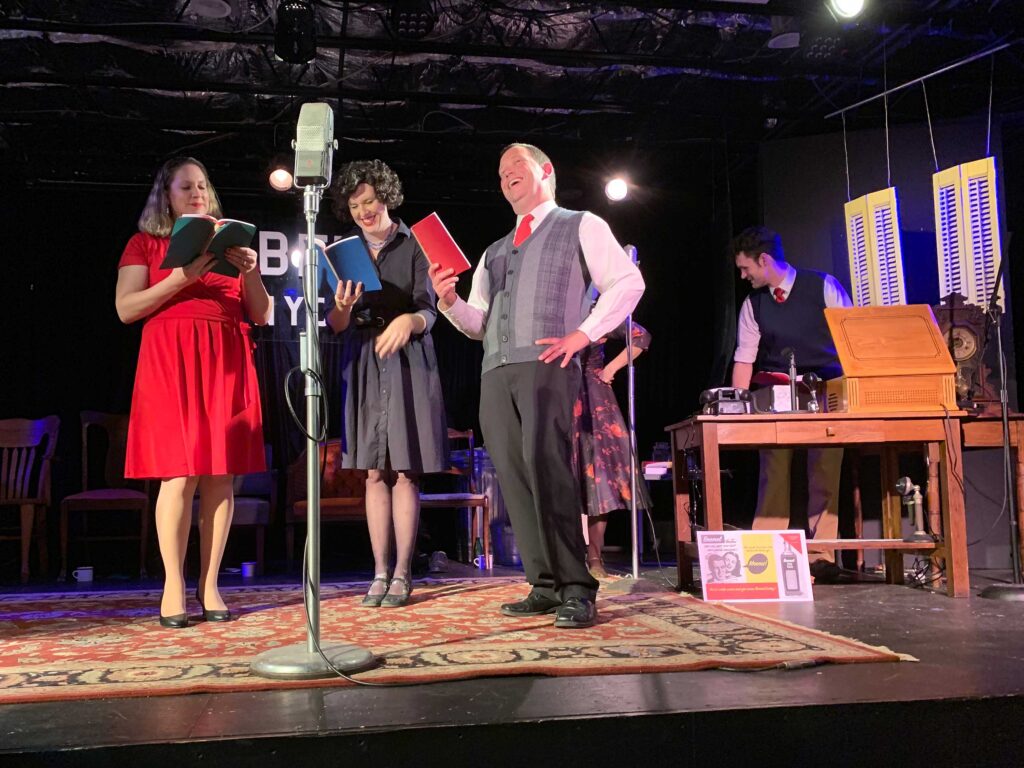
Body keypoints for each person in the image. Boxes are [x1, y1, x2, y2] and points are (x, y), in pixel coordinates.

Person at [429, 143, 644, 629]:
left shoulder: (580, 224)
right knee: (513, 476)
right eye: (500, 172)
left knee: (549, 471)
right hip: (495, 371)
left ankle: (577, 586)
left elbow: (628, 283)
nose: (506, 176)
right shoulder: (494, 251)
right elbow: (479, 323)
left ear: (546, 170)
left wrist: (584, 333)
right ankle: (544, 583)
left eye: (516, 167)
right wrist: (448, 301)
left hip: (547, 364)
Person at [115, 156, 271, 628]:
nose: (197, 193)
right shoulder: (145, 243)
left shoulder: (231, 249)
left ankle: (210, 584)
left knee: (220, 475)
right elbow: (126, 308)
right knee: (179, 474)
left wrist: (251, 270)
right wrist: (180, 278)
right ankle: (172, 584)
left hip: (224, 359)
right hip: (170, 360)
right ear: (166, 195)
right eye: (186, 187)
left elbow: (261, 314)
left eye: (202, 186)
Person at [326, 159, 447, 609]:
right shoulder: (344, 252)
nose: (364, 211)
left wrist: (408, 321)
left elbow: (430, 308)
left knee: (405, 469)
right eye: (355, 205)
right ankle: (379, 572)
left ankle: (402, 573)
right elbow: (336, 323)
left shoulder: (414, 244)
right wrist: (343, 306)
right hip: (363, 359)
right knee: (373, 471)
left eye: (370, 201)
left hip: (407, 359)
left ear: (387, 197)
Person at [729, 226, 852, 583]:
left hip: (827, 388)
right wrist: (737, 406)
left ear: (764, 260)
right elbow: (744, 359)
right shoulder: (754, 304)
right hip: (777, 392)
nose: (743, 276)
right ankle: (765, 553)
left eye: (745, 268)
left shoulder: (823, 286)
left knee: (825, 468)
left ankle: (821, 556)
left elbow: (851, 336)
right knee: (774, 468)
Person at [572, 315, 652, 579]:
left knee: (599, 479)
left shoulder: (599, 313)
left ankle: (594, 556)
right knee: (565, 475)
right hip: (559, 393)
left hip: (593, 398)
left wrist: (610, 369)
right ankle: (568, 554)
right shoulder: (554, 309)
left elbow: (641, 336)